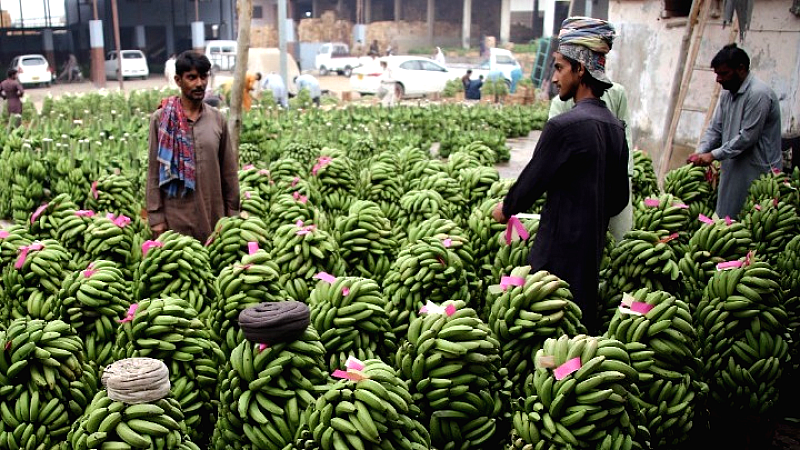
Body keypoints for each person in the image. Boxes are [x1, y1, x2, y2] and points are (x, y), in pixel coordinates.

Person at [492, 17, 629, 333]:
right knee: (580, 326)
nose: (554, 78)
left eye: (559, 68)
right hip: (591, 250)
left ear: (580, 69)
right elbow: (620, 197)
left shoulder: (564, 127)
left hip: (556, 251)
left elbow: (533, 179)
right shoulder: (615, 128)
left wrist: (506, 209)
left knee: (547, 328)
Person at [147, 51, 239, 242]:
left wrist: (233, 212)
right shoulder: (162, 119)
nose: (199, 83)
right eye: (192, 77)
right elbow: (154, 172)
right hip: (176, 219)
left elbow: (228, 171)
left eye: (204, 76)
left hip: (214, 216)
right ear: (178, 80)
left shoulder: (217, 119)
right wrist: (156, 218)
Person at [688, 43, 782, 220]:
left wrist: (713, 155)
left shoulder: (758, 94)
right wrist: (701, 151)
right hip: (732, 168)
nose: (718, 79)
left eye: (723, 73)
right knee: (727, 219)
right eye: (717, 74)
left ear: (741, 69)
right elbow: (715, 128)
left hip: (757, 171)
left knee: (752, 220)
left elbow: (747, 137)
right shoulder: (727, 93)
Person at [549, 81, 634, 242]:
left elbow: (626, 136)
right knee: (581, 236)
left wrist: (625, 175)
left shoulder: (617, 92)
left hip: (613, 175)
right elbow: (552, 146)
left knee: (619, 234)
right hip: (577, 179)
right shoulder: (561, 100)